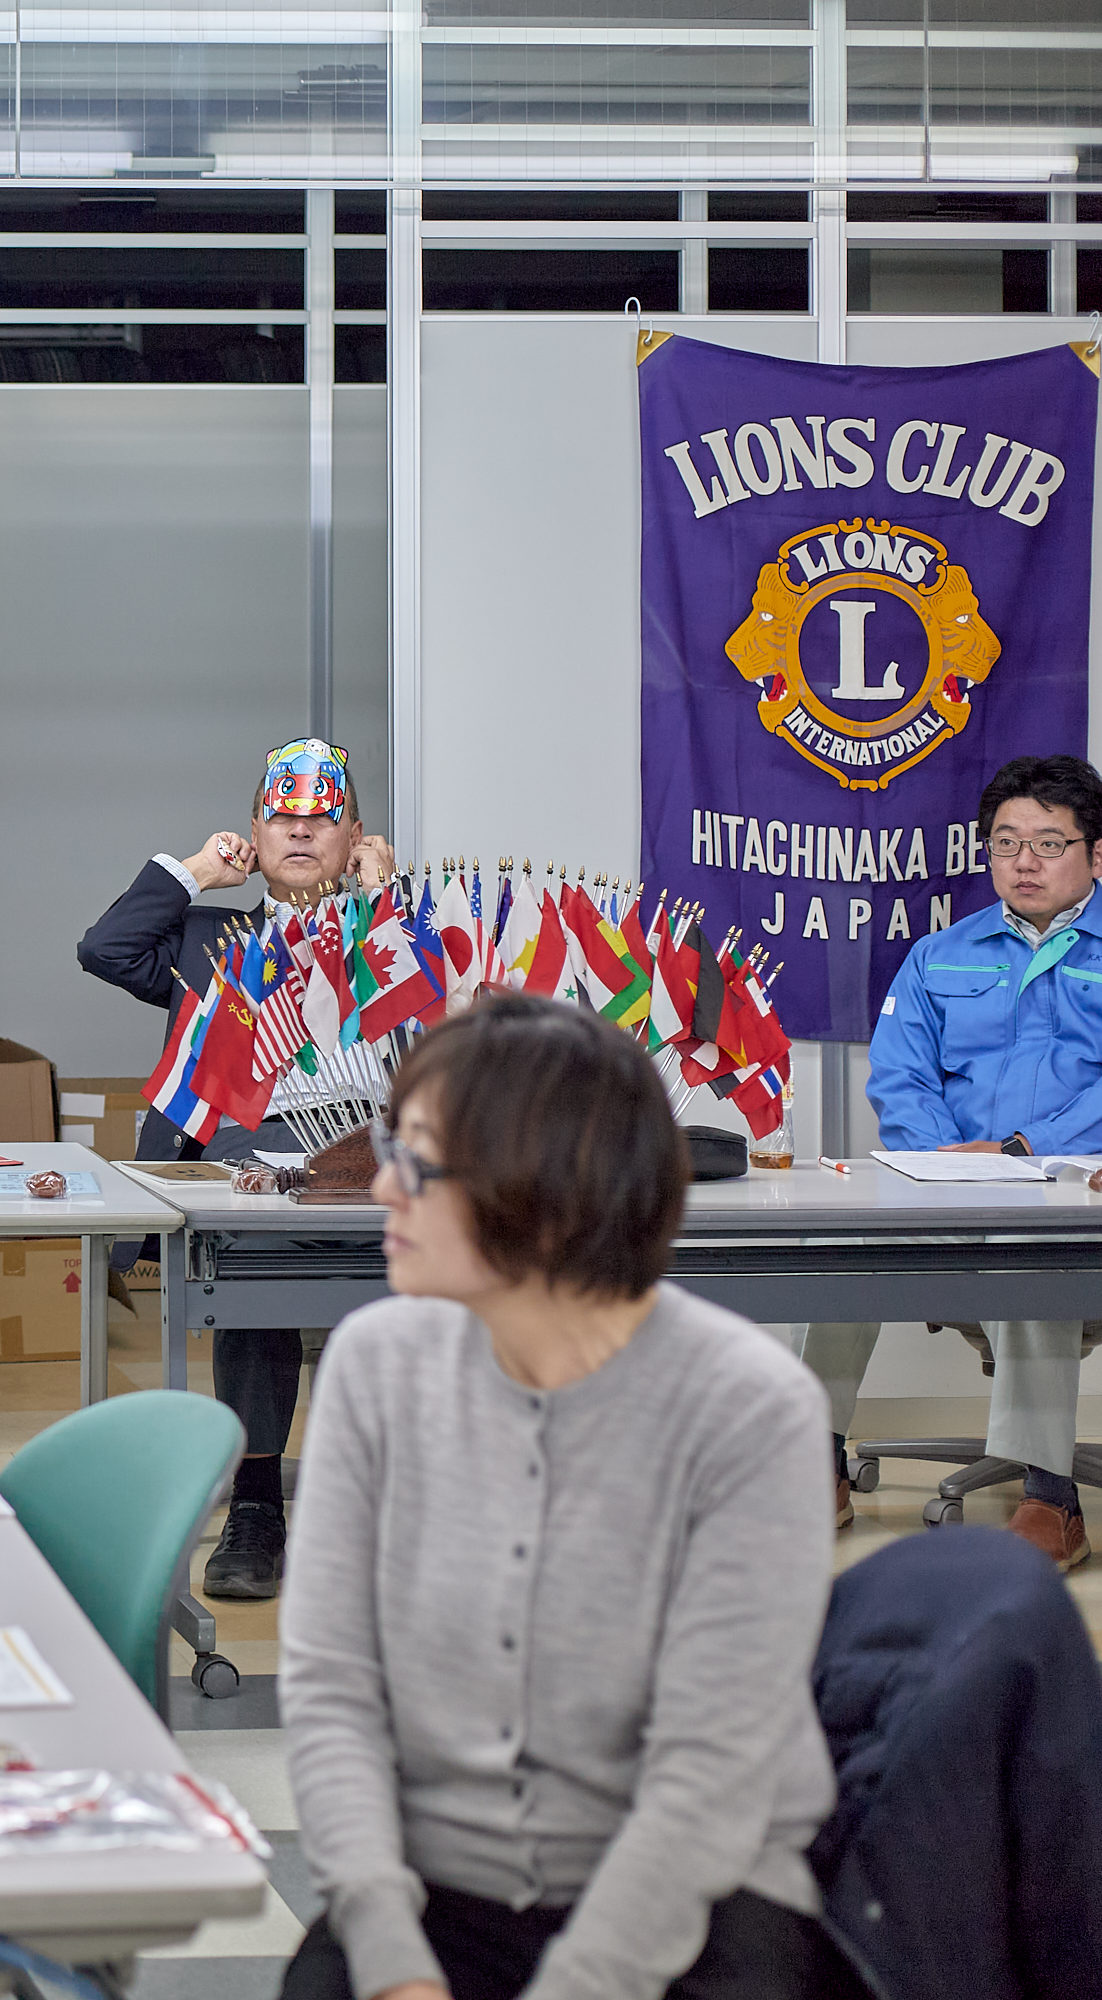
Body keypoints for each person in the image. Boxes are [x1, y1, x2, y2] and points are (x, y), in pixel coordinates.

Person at [282, 995, 849, 2000]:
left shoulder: (749, 1408)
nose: (381, 1187)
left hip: (689, 1900)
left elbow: (706, 1781)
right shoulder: (375, 1363)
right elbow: (332, 1690)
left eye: (414, 1161)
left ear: (539, 1192)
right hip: (430, 1892)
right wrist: (390, 1957)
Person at [77, 736, 397, 1599]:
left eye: (322, 819)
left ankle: (387, 1507)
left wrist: (386, 901)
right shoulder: (208, 940)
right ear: (254, 834)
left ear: (357, 834)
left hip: (378, 1161)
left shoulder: (396, 928)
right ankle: (256, 1505)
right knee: (252, 1282)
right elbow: (104, 950)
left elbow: (451, 1021)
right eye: (281, 818)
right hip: (249, 1163)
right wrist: (194, 872)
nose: (300, 832)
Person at [794, 754, 1102, 1568]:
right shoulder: (940, 956)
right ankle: (816, 1462)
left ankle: (1049, 1496)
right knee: (838, 1253)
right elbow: (900, 1074)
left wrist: (1025, 1151)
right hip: (955, 1192)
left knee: (1036, 1264)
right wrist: (944, 1158)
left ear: (1095, 855)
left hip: (1076, 1199)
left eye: (1048, 843)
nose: (1024, 862)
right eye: (1006, 844)